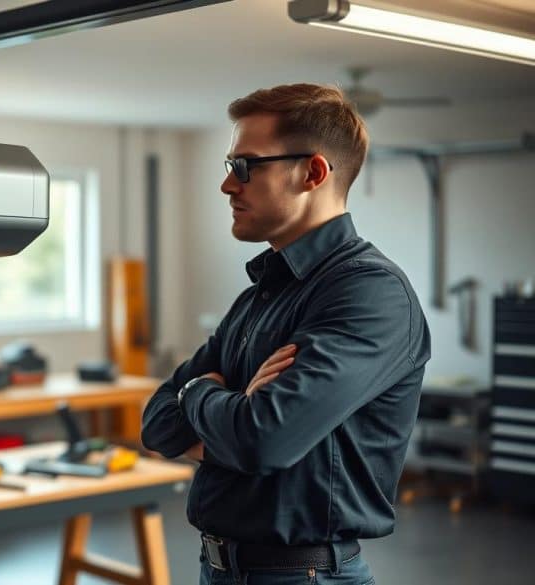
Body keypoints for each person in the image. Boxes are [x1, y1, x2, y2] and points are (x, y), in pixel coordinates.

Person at [141, 83, 431, 585]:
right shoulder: (261, 294)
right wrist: (229, 412)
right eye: (229, 167)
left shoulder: (370, 294)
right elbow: (157, 423)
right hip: (220, 570)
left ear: (313, 173)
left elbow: (261, 439)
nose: (228, 186)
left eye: (245, 166)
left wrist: (199, 390)